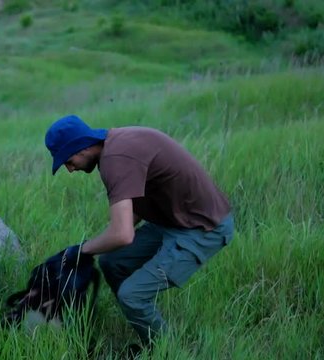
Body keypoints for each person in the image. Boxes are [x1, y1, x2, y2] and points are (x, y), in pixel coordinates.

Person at [44, 114, 234, 347]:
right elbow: (135, 212)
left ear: (80, 147)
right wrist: (92, 249)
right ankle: (146, 329)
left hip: (203, 228)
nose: (70, 169)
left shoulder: (115, 159)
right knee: (111, 262)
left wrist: (79, 251)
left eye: (68, 161)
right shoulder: (116, 145)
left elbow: (123, 234)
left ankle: (165, 350)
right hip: (171, 221)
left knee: (131, 295)